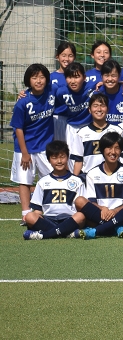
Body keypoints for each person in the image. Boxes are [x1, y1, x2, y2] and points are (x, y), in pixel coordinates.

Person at [75, 132, 123, 239]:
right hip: (101, 215)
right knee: (79, 200)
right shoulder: (92, 173)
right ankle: (117, 228)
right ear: (102, 150)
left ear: (121, 150)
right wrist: (102, 208)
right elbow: (92, 202)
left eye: (117, 148)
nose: (113, 152)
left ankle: (97, 230)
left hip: (121, 214)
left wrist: (115, 211)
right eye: (109, 148)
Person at [11, 64, 55, 224]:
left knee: (51, 177)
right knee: (25, 180)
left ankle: (49, 210)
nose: (38, 81)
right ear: (28, 80)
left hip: (45, 147)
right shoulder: (23, 102)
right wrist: (24, 153)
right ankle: (25, 213)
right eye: (34, 77)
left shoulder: (52, 92)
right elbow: (18, 128)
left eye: (42, 77)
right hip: (25, 148)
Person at [22, 141, 86, 240]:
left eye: (62, 157)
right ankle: (67, 233)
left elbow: (81, 208)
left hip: (69, 219)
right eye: (54, 158)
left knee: (80, 216)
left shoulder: (77, 181)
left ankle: (44, 235)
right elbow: (38, 210)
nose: (59, 161)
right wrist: (34, 218)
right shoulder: (42, 182)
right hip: (49, 219)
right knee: (30, 216)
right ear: (48, 160)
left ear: (67, 157)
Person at [69, 93, 123, 176]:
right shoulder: (81, 133)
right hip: (88, 177)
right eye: (95, 106)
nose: (99, 109)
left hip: (112, 176)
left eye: (102, 106)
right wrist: (75, 180)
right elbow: (78, 161)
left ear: (108, 109)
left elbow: (122, 157)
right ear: (89, 110)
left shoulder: (118, 131)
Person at [95, 59, 123, 125]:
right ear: (101, 76)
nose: (110, 79)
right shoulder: (97, 93)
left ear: (119, 76)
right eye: (106, 75)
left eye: (113, 76)